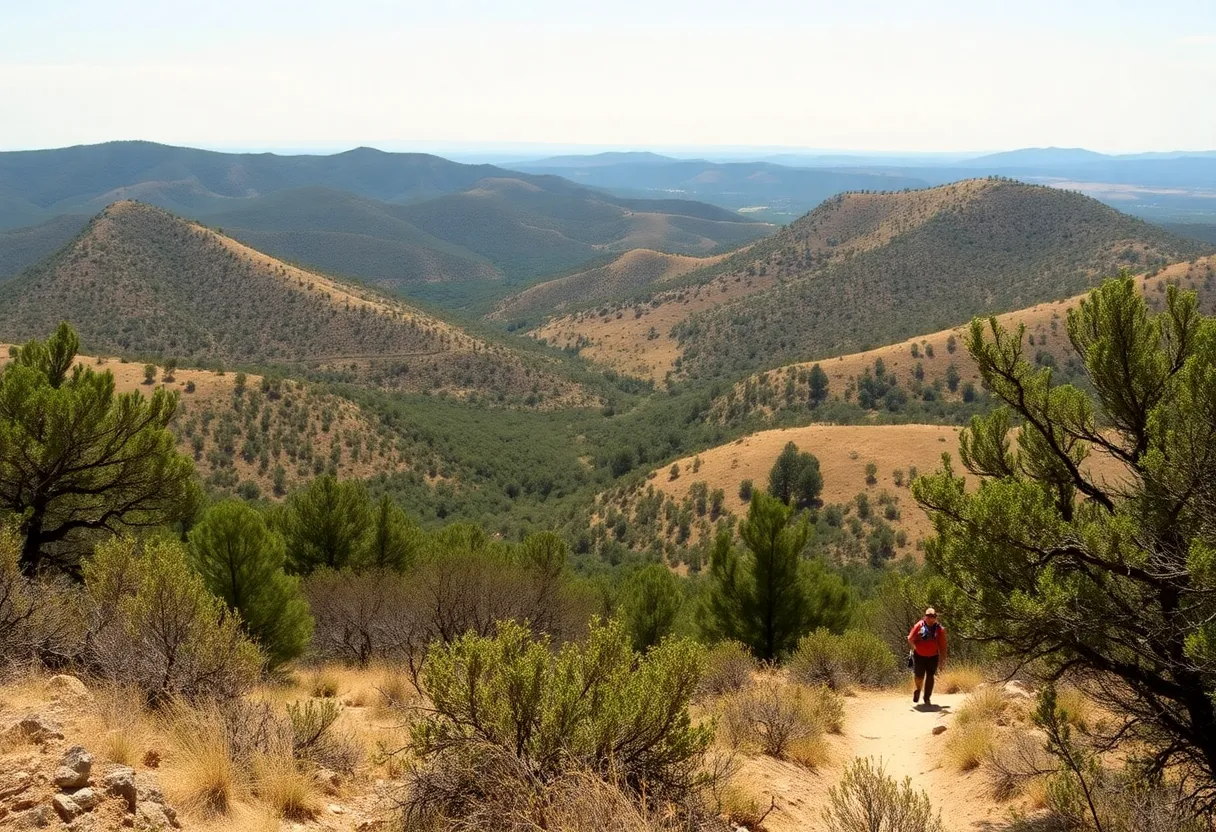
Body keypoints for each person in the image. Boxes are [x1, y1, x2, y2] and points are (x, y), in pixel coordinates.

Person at [908, 607, 947, 705]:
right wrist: (915, 648)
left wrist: (943, 661)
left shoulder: (939, 629)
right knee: (919, 676)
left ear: (935, 617)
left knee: (930, 676)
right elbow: (910, 638)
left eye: (933, 616)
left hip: (933, 656)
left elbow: (943, 646)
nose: (931, 618)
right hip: (919, 656)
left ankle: (927, 698)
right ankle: (918, 689)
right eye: (929, 616)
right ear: (925, 616)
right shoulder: (919, 625)